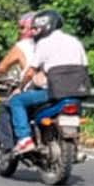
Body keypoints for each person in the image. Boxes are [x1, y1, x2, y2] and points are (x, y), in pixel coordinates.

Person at [8, 9, 86, 155]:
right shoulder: (76, 42)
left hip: (53, 92)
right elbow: (83, 67)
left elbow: (31, 71)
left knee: (17, 101)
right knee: (75, 113)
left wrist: (21, 87)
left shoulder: (44, 43)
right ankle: (75, 148)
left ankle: (25, 139)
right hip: (77, 91)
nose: (34, 33)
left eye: (36, 29)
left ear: (46, 26)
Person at [0, 11, 38, 152]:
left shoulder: (23, 46)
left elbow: (1, 68)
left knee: (5, 107)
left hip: (33, 89)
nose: (20, 31)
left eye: (22, 28)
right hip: (57, 89)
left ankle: (8, 148)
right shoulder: (52, 44)